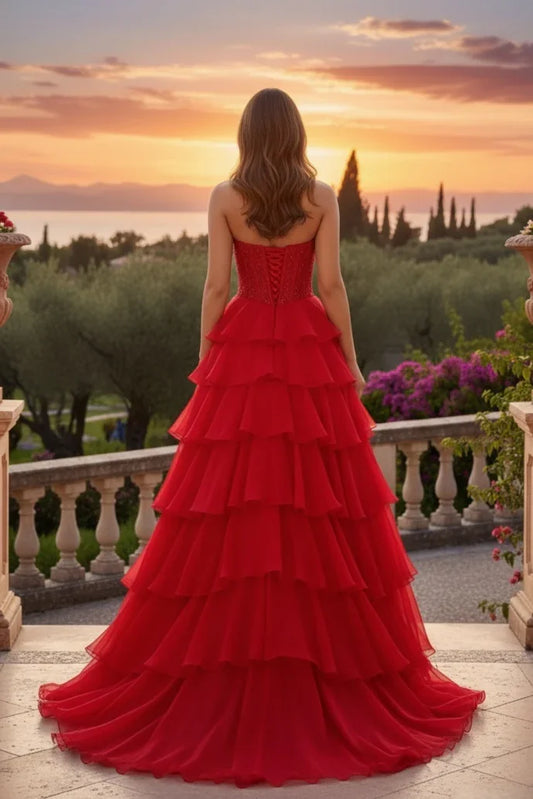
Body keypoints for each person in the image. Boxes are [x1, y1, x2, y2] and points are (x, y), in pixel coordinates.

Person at [38, 88, 485, 788]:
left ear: (247, 133)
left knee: (230, 512)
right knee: (321, 509)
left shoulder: (224, 195)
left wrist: (208, 362)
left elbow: (215, 288)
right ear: (296, 132)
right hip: (305, 347)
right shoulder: (321, 196)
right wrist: (349, 358)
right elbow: (330, 284)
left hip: (243, 348)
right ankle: (327, 669)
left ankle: (226, 664)